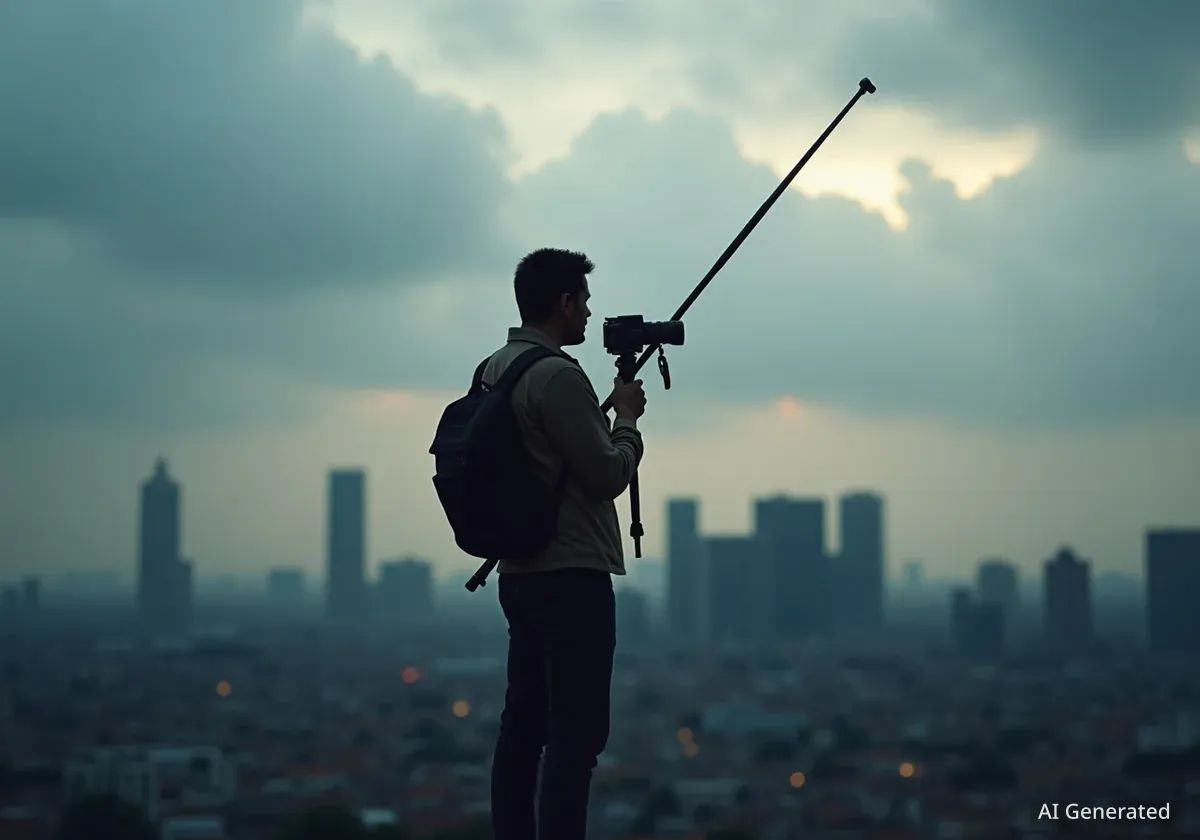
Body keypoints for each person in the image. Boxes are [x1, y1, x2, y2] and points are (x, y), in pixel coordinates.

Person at [483, 248, 647, 840]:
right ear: (563, 302)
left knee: (521, 729)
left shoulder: (496, 368)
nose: (587, 316)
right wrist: (626, 419)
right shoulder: (557, 376)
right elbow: (606, 475)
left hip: (518, 571)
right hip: (571, 571)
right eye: (583, 302)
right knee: (575, 738)